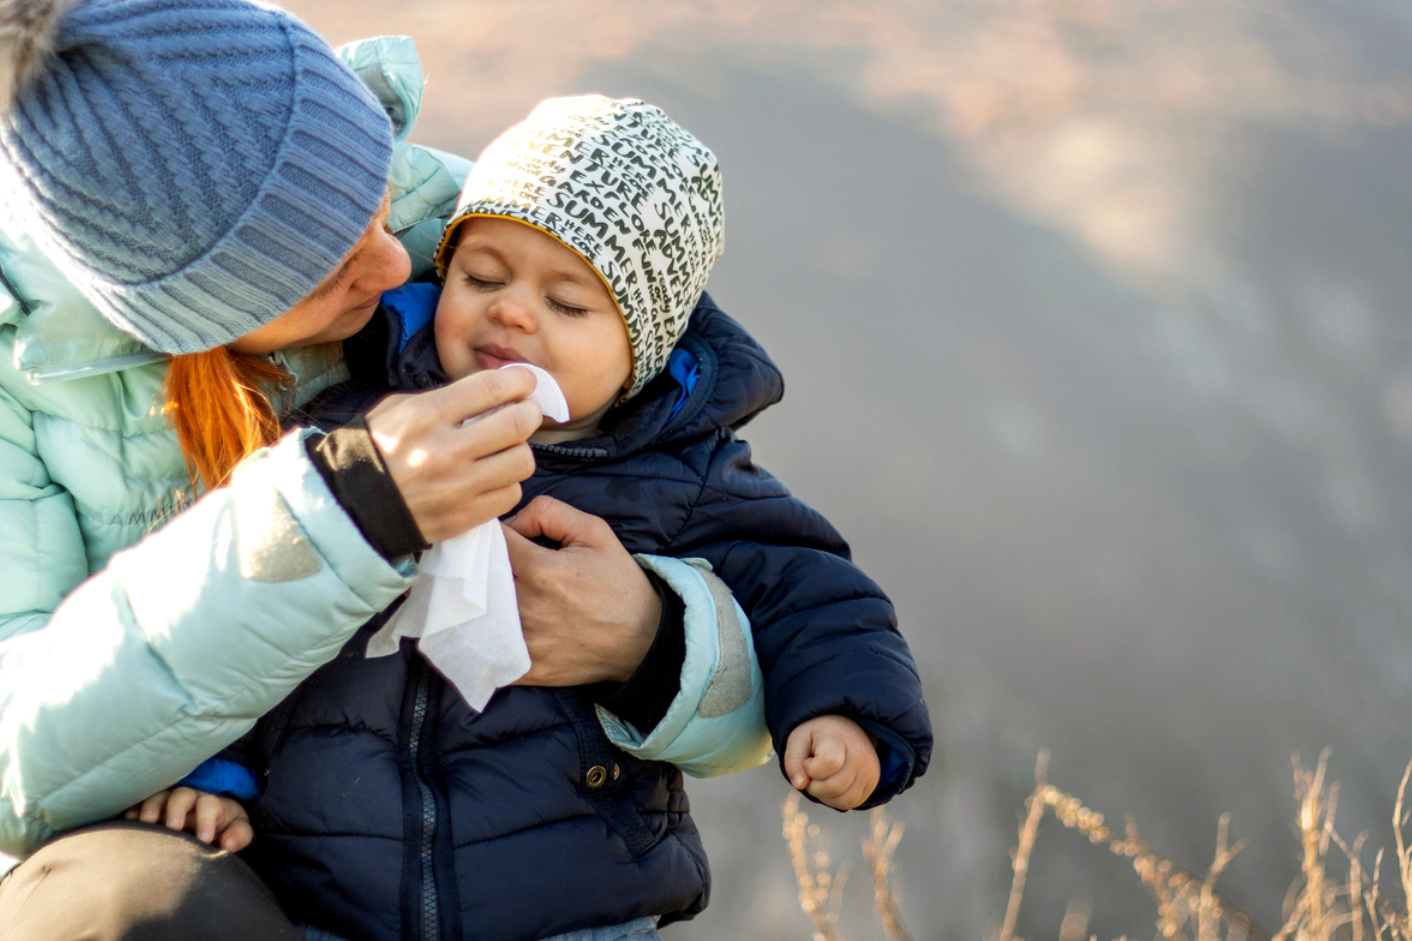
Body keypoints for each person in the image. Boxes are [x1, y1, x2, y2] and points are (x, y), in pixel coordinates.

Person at [0, 0, 775, 941]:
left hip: (481, 868)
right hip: (181, 850)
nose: (395, 258)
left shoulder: (477, 240)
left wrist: (655, 637)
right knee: (133, 921)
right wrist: (339, 515)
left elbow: (762, 585)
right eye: (328, 264)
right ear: (187, 310)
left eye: (374, 194)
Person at [121, 97, 932, 941]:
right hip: (324, 890)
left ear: (642, 348)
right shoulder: (358, 429)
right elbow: (243, 598)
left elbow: (817, 597)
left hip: (570, 904)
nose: (511, 312)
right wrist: (214, 775)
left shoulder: (686, 478)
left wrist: (847, 716)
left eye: (568, 304)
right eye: (482, 278)